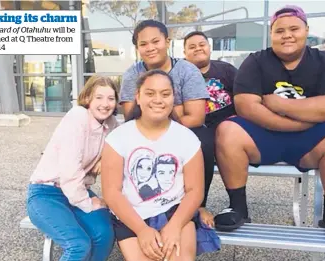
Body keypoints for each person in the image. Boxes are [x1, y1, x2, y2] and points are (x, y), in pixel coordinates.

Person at [213, 5, 325, 242]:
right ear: (271, 34)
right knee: (227, 130)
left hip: (312, 142)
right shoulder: (256, 61)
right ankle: (237, 208)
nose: (287, 35)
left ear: (306, 30)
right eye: (279, 30)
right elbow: (245, 105)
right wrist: (305, 117)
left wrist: (280, 105)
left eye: (294, 28)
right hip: (263, 138)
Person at [102, 70, 220, 261]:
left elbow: (194, 191)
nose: (158, 99)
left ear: (173, 98)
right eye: (150, 93)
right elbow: (111, 192)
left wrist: (174, 226)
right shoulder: (118, 138)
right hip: (132, 215)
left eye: (165, 94)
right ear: (138, 97)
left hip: (174, 211)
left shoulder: (187, 138)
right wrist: (141, 230)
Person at [119, 19, 217, 228]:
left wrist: (160, 115)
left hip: (183, 131)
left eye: (156, 41)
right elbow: (131, 116)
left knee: (203, 141)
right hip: (143, 130)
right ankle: (130, 201)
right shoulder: (131, 75)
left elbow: (197, 117)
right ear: (137, 48)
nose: (150, 48)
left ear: (167, 41)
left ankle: (197, 205)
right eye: (143, 44)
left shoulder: (187, 71)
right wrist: (177, 109)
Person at [26, 75, 119, 261]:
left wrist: (106, 158)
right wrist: (86, 202)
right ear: (87, 99)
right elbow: (70, 170)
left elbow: (123, 150)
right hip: (47, 193)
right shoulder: (78, 116)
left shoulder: (111, 125)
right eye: (99, 97)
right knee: (78, 245)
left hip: (78, 189)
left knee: (104, 236)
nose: (105, 104)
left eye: (111, 98)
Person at [183, 31, 239, 227]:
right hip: (198, 128)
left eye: (202, 44)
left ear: (209, 47)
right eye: (192, 46)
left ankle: (237, 205)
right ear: (184, 52)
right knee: (202, 144)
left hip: (229, 127)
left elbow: (243, 98)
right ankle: (198, 205)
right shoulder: (182, 73)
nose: (198, 48)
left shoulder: (226, 70)